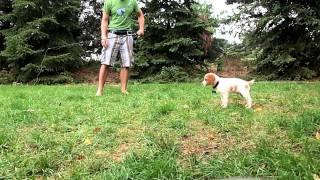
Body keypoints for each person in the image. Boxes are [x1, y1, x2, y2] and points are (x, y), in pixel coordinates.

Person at [96, 0, 145, 96]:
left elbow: (140, 15)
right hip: (112, 34)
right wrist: (103, 36)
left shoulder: (132, 2)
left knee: (126, 64)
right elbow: (105, 19)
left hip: (127, 35)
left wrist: (141, 28)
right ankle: (100, 90)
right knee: (105, 62)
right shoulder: (109, 2)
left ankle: (123, 90)